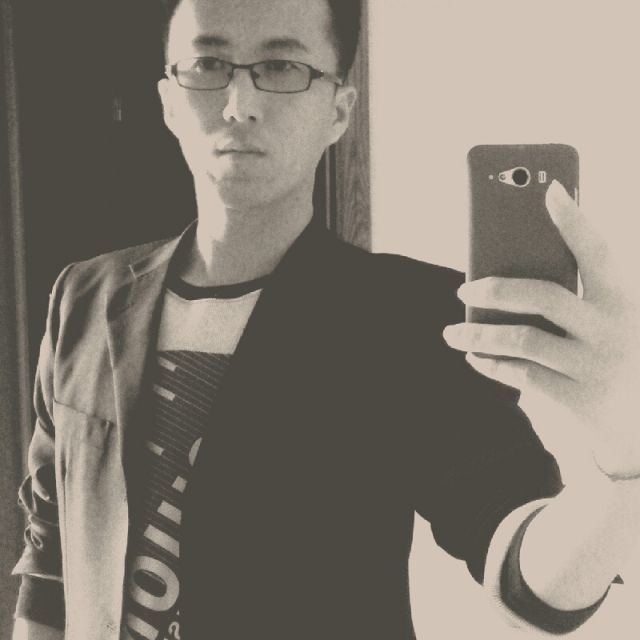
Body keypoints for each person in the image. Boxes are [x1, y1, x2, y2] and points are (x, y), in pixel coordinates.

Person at [11, 0, 640, 638]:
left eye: (282, 67)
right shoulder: (86, 297)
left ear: (338, 111)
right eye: (207, 64)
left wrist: (624, 456)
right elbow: (49, 555)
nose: (239, 105)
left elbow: (528, 574)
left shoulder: (410, 316)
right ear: (169, 101)